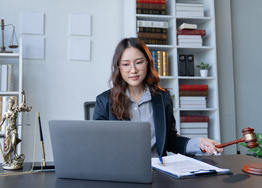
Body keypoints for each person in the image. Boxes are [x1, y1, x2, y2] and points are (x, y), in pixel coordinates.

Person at [93, 37, 223, 157]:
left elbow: (171, 140)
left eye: (138, 62)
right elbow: (97, 145)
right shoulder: (104, 101)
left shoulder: (163, 97)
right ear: (119, 67)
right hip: (121, 174)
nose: (133, 70)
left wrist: (198, 143)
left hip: (157, 171)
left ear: (148, 63)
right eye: (126, 64)